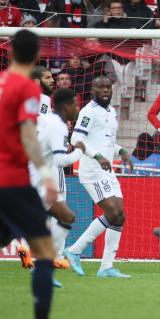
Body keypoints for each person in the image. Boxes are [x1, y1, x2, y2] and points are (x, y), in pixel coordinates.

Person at [0, 29, 58, 319]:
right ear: (36, 56)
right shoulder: (27, 88)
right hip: (12, 181)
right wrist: (46, 173)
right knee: (45, 250)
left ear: (9, 52)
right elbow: (27, 134)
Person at [64, 76, 133, 278]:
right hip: (93, 170)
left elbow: (107, 142)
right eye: (100, 87)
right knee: (113, 213)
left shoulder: (111, 112)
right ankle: (75, 250)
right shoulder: (88, 111)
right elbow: (76, 138)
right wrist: (97, 156)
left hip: (107, 170)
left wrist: (121, 151)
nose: (105, 90)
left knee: (119, 216)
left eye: (108, 87)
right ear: (93, 89)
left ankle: (106, 267)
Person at [24, 89, 85, 277]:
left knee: (59, 218)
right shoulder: (58, 125)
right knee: (65, 218)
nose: (77, 108)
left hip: (31, 177)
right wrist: (79, 152)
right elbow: (60, 160)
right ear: (66, 107)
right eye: (75, 105)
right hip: (40, 182)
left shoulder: (44, 120)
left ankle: (40, 258)